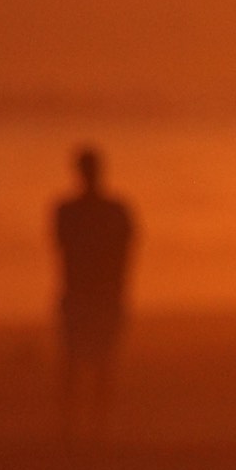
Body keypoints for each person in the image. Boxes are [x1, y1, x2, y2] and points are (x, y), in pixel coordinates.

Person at [51, 146, 139, 437]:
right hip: (91, 294)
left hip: (93, 294)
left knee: (93, 362)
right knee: (84, 362)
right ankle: (78, 426)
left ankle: (90, 426)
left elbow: (124, 253)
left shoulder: (71, 211)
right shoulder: (105, 211)